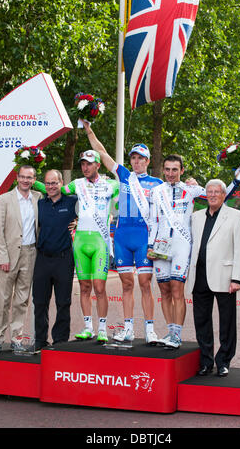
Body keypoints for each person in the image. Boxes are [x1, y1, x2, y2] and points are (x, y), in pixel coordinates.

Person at [147, 155, 240, 349]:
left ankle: (177, 336)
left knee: (176, 288)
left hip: (181, 245)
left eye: (175, 170)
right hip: (160, 244)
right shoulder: (156, 192)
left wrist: (236, 180)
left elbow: (220, 194)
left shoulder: (191, 190)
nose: (171, 173)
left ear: (182, 171)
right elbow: (153, 220)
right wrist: (150, 245)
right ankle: (171, 332)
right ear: (163, 170)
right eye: (167, 169)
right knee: (164, 290)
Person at [82, 120, 163, 344]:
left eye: (140, 158)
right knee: (127, 283)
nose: (136, 162)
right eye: (133, 158)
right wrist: (89, 129)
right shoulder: (125, 175)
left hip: (143, 235)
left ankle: (149, 330)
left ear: (147, 161)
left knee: (146, 283)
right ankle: (128, 328)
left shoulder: (158, 183)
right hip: (123, 236)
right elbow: (101, 152)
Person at [34, 153, 119, 344]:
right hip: (80, 241)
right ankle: (88, 327)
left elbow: (124, 195)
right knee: (84, 287)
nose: (85, 167)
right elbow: (57, 189)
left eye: (89, 164)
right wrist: (32, 181)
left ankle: (103, 328)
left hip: (100, 242)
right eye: (82, 164)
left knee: (99, 287)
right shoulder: (77, 184)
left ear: (98, 164)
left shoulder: (112, 184)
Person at [186, 179, 240, 377]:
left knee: (227, 322)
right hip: (200, 276)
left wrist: (236, 278)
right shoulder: (196, 217)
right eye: (209, 192)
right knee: (201, 322)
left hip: (225, 276)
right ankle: (205, 361)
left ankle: (223, 361)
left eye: (216, 192)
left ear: (223, 194)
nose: (212, 195)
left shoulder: (235, 216)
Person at [0, 165, 41, 353]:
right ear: (17, 178)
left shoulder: (38, 198)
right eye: (23, 177)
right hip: (8, 256)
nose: (26, 180)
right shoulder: (3, 200)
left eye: (30, 177)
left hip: (30, 254)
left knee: (22, 300)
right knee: (2, 299)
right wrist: (2, 256)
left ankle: (17, 338)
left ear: (34, 180)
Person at [32, 170, 77, 352]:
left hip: (64, 259)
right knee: (40, 302)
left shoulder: (73, 202)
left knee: (63, 302)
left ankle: (60, 341)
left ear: (61, 183)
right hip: (42, 259)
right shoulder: (39, 204)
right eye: (48, 183)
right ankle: (40, 341)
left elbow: (95, 209)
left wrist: (79, 222)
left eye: (54, 183)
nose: (51, 187)